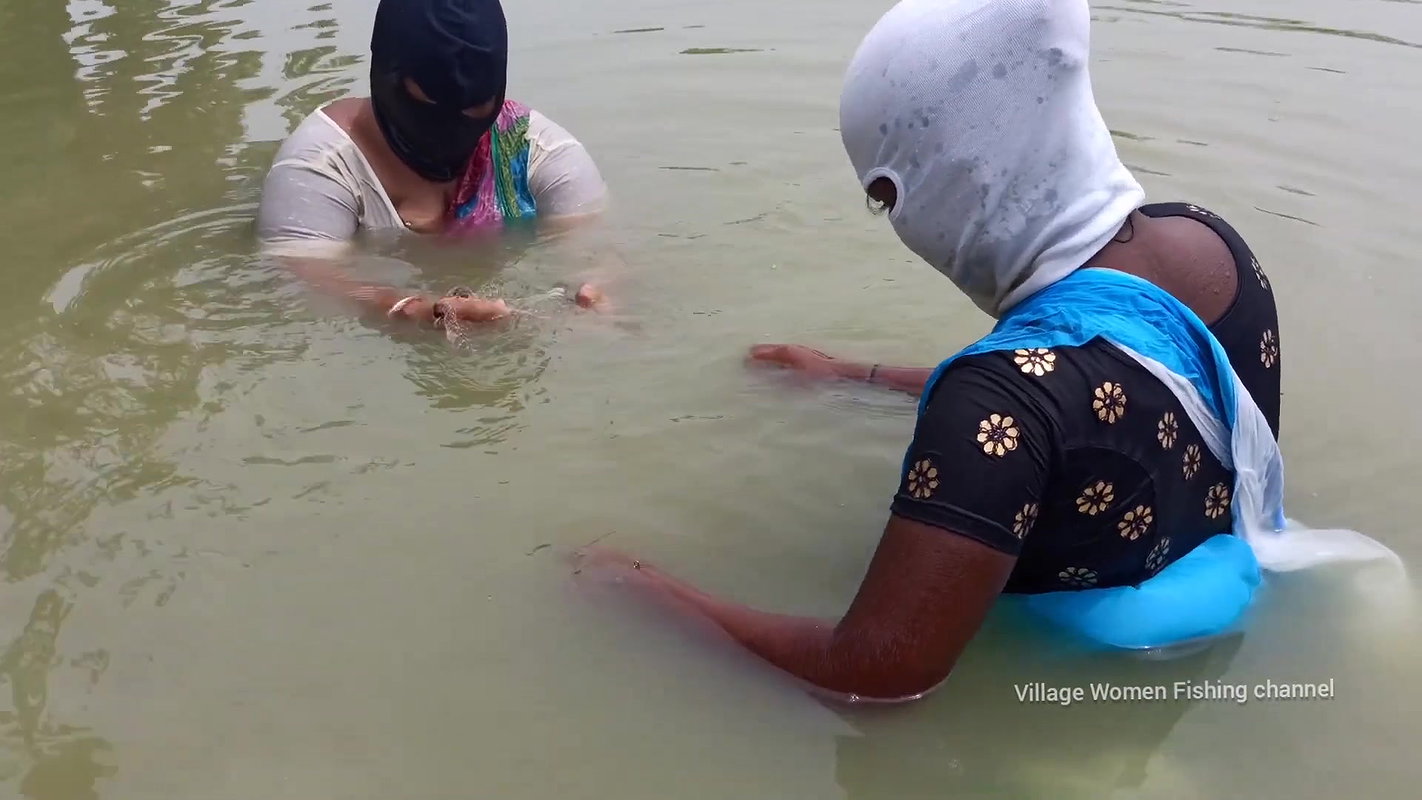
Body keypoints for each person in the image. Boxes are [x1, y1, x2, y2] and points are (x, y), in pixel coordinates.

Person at [579, 0, 1398, 702]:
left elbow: (877, 673)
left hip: (1080, 695)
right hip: (1220, 605)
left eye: (886, 199)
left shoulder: (997, 404)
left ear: (958, 170)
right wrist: (851, 376)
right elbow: (1093, 383)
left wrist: (645, 592)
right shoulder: (1208, 246)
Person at [256, 0, 610, 332]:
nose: (451, 125)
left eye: (475, 107)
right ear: (387, 73)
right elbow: (303, 279)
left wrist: (594, 294)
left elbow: (595, 252)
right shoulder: (319, 167)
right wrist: (404, 309)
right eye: (427, 103)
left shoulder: (535, 150)